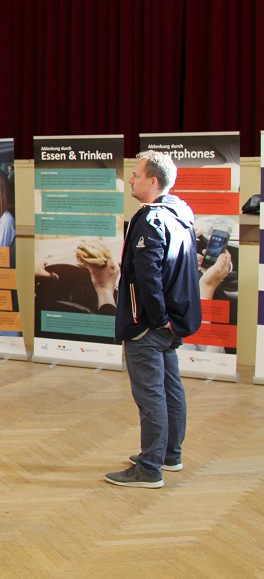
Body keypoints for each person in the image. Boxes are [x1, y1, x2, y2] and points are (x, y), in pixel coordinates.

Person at [105, 151, 201, 489]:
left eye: (136, 174)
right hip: (171, 323)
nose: (131, 179)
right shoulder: (181, 214)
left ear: (153, 181)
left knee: (151, 397)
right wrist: (168, 321)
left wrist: (157, 320)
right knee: (170, 389)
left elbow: (149, 277)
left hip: (149, 325)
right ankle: (169, 454)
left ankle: (149, 468)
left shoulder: (150, 220)